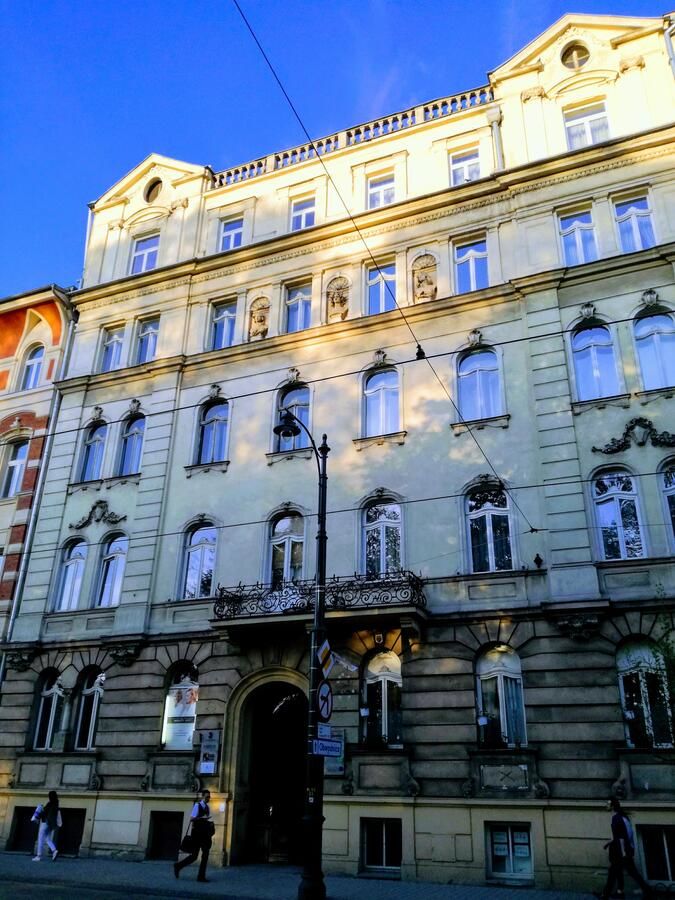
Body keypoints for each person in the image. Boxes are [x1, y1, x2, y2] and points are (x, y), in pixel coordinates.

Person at [595, 797, 653, 899]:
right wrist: (609, 843)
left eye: (608, 803)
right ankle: (619, 892)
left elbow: (621, 837)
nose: (606, 805)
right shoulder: (623, 817)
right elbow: (623, 835)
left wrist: (623, 853)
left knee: (616, 872)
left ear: (613, 806)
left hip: (620, 851)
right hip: (624, 849)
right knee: (622, 872)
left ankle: (606, 894)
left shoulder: (616, 818)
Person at [174, 789, 213, 883]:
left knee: (205, 854)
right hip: (197, 834)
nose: (208, 798)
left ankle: (201, 876)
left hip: (205, 834)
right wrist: (201, 818)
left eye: (209, 797)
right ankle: (178, 866)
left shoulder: (207, 807)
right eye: (207, 797)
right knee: (194, 856)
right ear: (202, 796)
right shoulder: (197, 805)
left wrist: (207, 820)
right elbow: (192, 818)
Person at [31, 790, 62, 861]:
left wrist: (37, 815)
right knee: (47, 838)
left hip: (46, 823)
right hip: (51, 824)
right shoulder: (56, 804)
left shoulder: (50, 803)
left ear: (50, 796)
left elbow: (45, 813)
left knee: (40, 838)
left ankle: (38, 856)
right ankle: (54, 851)